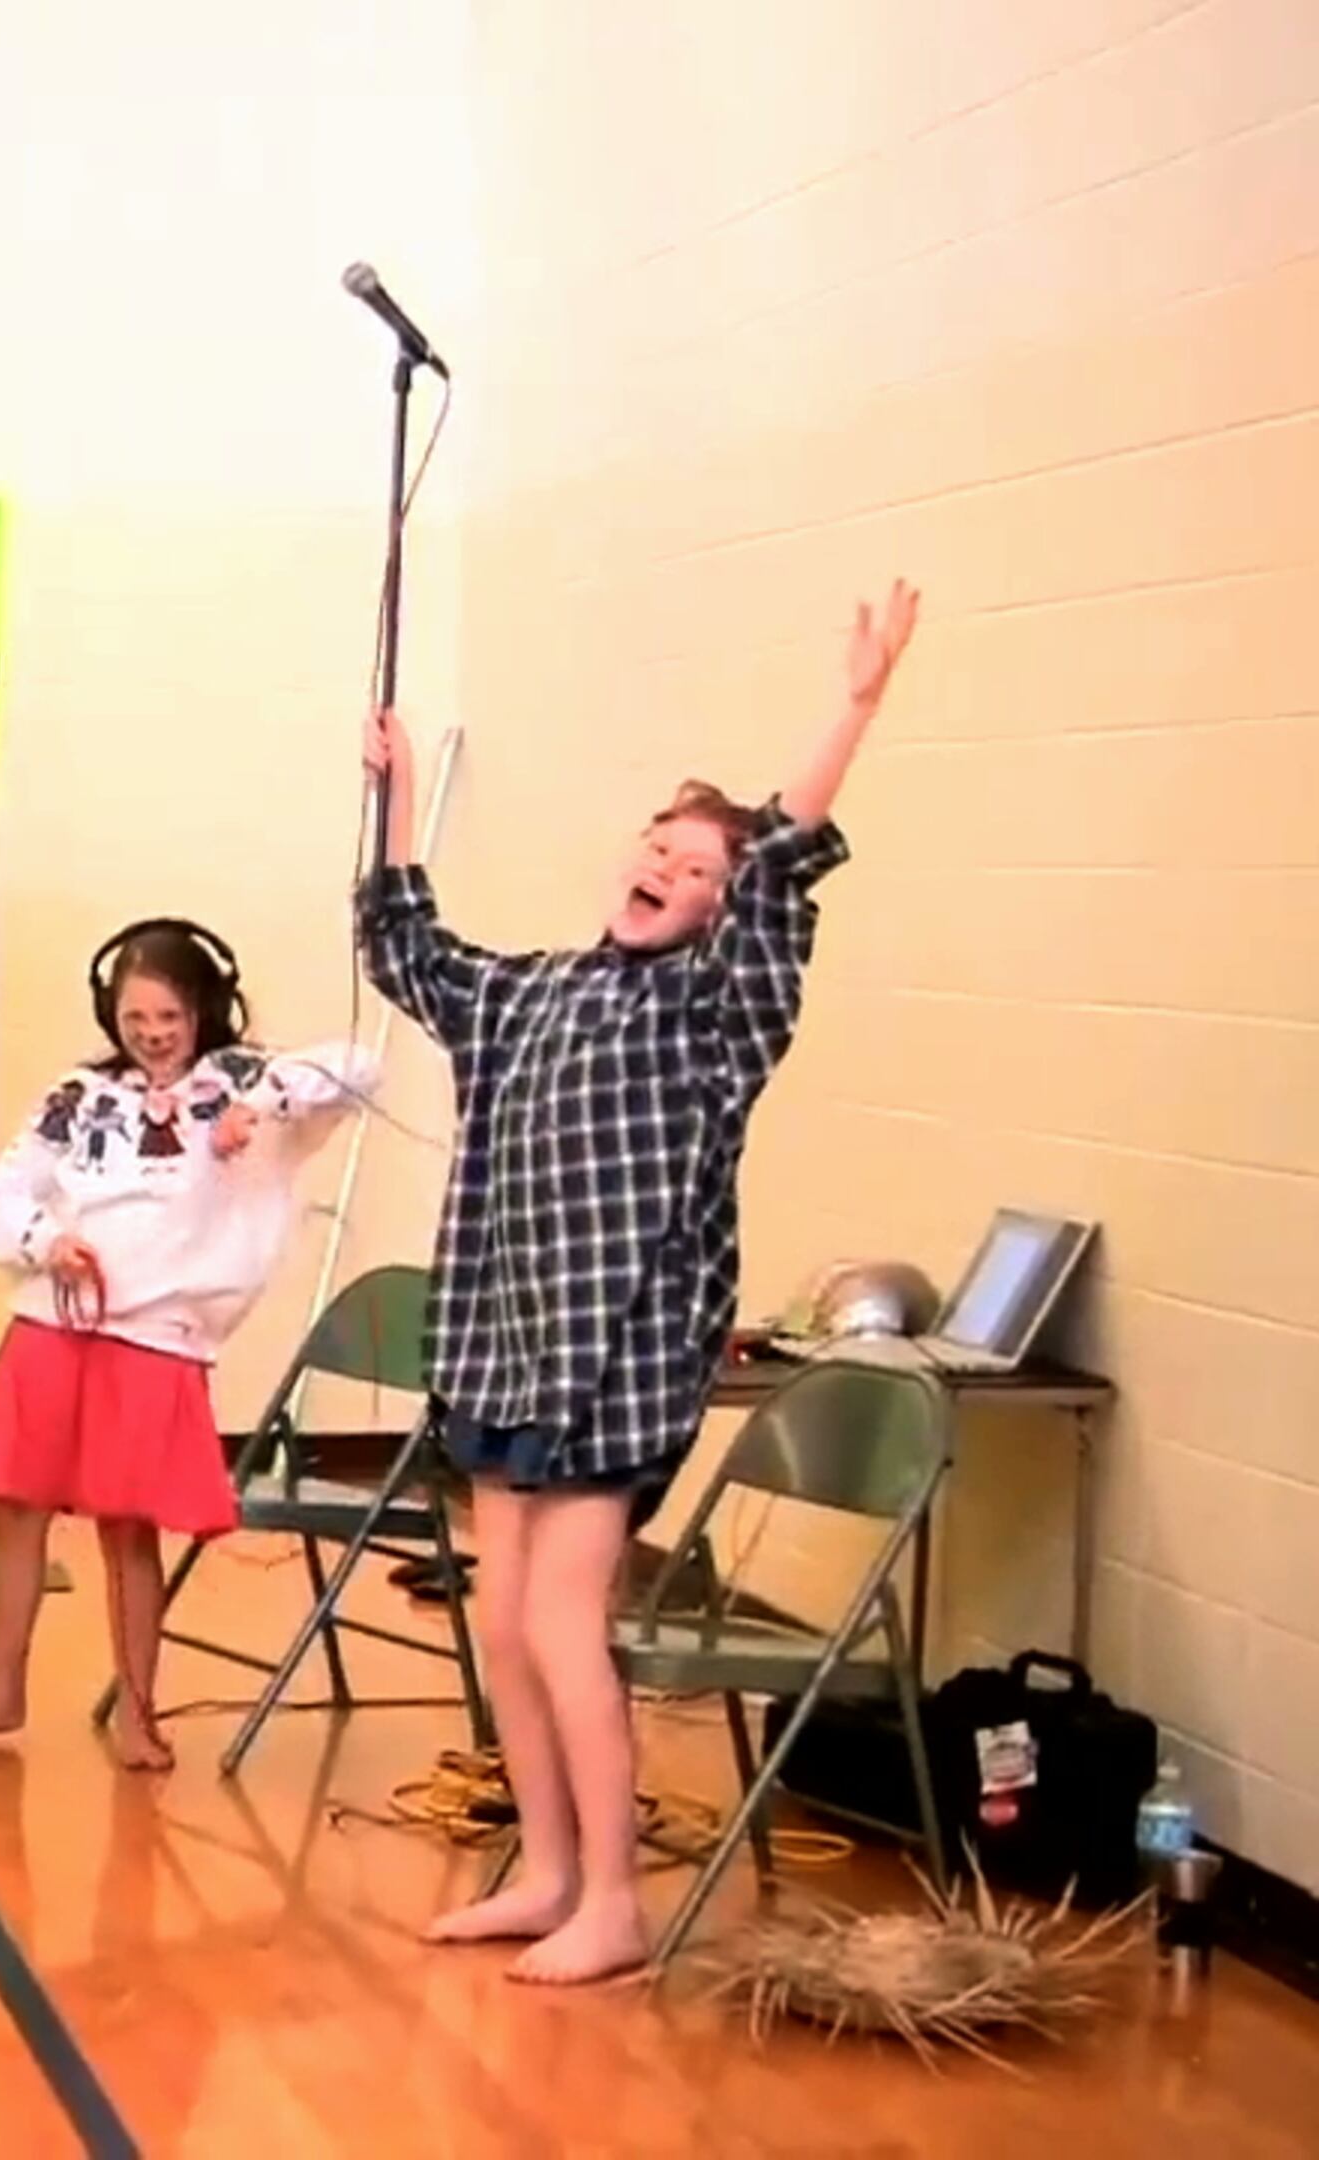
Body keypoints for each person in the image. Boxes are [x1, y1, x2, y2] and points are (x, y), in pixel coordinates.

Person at [365, 579, 917, 1985]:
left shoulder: (715, 1013)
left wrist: (851, 707)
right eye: (658, 843)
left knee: (562, 1621)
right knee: (503, 1623)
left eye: (700, 864)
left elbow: (784, 867)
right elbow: (406, 949)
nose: (669, 864)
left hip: (612, 1362)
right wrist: (400, 788)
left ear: (724, 912)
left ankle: (614, 1900)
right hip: (500, 1349)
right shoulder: (532, 992)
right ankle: (547, 1870)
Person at [0, 919, 372, 1768]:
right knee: (15, 1512)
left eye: (168, 1016)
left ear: (203, 1006)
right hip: (54, 1326)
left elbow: (360, 1065)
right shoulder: (81, 1093)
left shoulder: (248, 1081)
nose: (153, 1035)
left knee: (129, 1531)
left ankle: (139, 1709)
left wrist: (258, 1105)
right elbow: (0, 1195)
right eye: (135, 1019)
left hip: (159, 1340)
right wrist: (44, 1240)